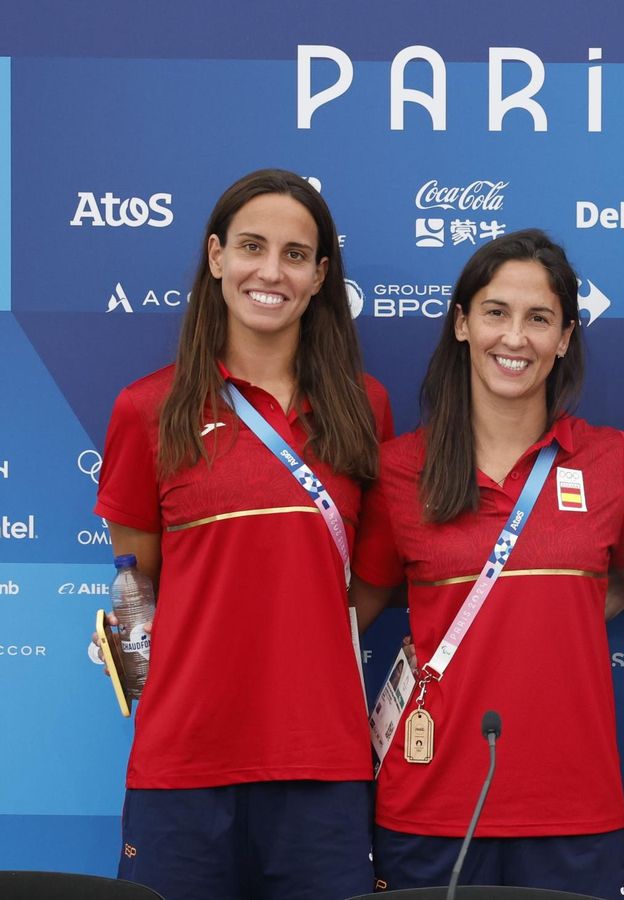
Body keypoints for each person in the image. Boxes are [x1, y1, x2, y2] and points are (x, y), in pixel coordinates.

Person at [350, 229, 624, 896]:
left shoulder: (613, 461)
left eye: (539, 319)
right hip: (429, 811)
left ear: (563, 339)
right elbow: (348, 614)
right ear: (463, 324)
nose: (515, 337)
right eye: (496, 312)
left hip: (574, 813)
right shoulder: (399, 471)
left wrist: (585, 598)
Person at [94, 169, 393, 900]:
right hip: (183, 769)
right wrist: (176, 678)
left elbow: (374, 581)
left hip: (323, 767)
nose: (272, 271)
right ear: (217, 256)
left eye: (295, 255)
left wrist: (300, 641)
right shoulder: (148, 408)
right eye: (253, 247)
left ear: (321, 276)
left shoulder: (363, 407)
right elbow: (133, 577)